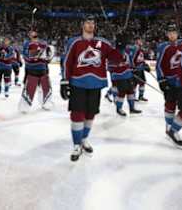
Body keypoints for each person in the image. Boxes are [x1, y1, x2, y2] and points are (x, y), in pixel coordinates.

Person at [60, 15, 123, 162]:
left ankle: (84, 139)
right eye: (88, 23)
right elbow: (67, 62)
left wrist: (120, 46)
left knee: (90, 114)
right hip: (78, 83)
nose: (90, 25)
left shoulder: (103, 43)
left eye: (92, 23)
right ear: (82, 25)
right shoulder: (74, 42)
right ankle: (76, 145)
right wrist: (64, 81)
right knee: (77, 115)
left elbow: (116, 59)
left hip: (96, 84)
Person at [156, 24, 182, 133]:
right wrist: (161, 79)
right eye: (170, 33)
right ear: (167, 35)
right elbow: (159, 64)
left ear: (177, 33)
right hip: (170, 81)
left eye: (174, 33)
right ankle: (168, 125)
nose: (172, 35)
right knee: (170, 104)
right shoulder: (163, 46)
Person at [108, 32, 142, 116]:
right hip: (119, 76)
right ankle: (119, 108)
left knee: (131, 91)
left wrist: (133, 67)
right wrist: (118, 64)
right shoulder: (113, 51)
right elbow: (110, 66)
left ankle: (132, 108)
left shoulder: (126, 50)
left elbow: (130, 60)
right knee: (122, 93)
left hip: (128, 74)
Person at [19, 30, 53, 112]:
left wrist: (48, 57)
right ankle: (25, 105)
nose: (33, 36)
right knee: (30, 86)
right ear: (29, 35)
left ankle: (46, 103)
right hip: (31, 69)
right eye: (31, 34)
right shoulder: (27, 44)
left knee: (45, 86)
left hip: (43, 69)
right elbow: (25, 56)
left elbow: (48, 56)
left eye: (34, 34)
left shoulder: (43, 43)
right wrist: (34, 56)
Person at [129, 37, 151, 102]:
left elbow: (141, 59)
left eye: (141, 40)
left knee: (142, 82)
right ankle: (133, 96)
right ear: (136, 41)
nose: (141, 41)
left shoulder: (140, 49)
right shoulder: (134, 48)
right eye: (139, 40)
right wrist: (133, 67)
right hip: (136, 69)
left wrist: (145, 65)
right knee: (134, 84)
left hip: (140, 69)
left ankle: (140, 96)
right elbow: (131, 59)